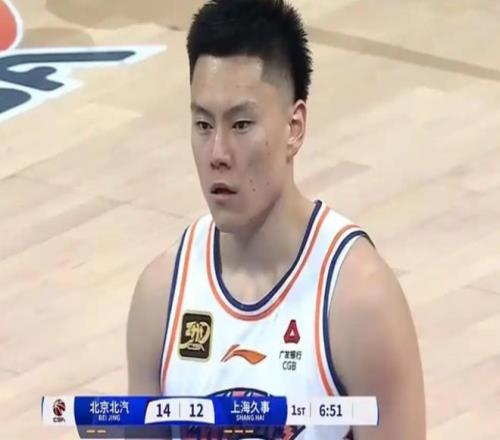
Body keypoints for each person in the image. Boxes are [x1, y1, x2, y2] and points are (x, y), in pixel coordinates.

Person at [127, 0, 426, 439]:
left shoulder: (359, 302)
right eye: (204, 125)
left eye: (241, 125)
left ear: (294, 127)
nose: (218, 154)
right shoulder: (160, 296)